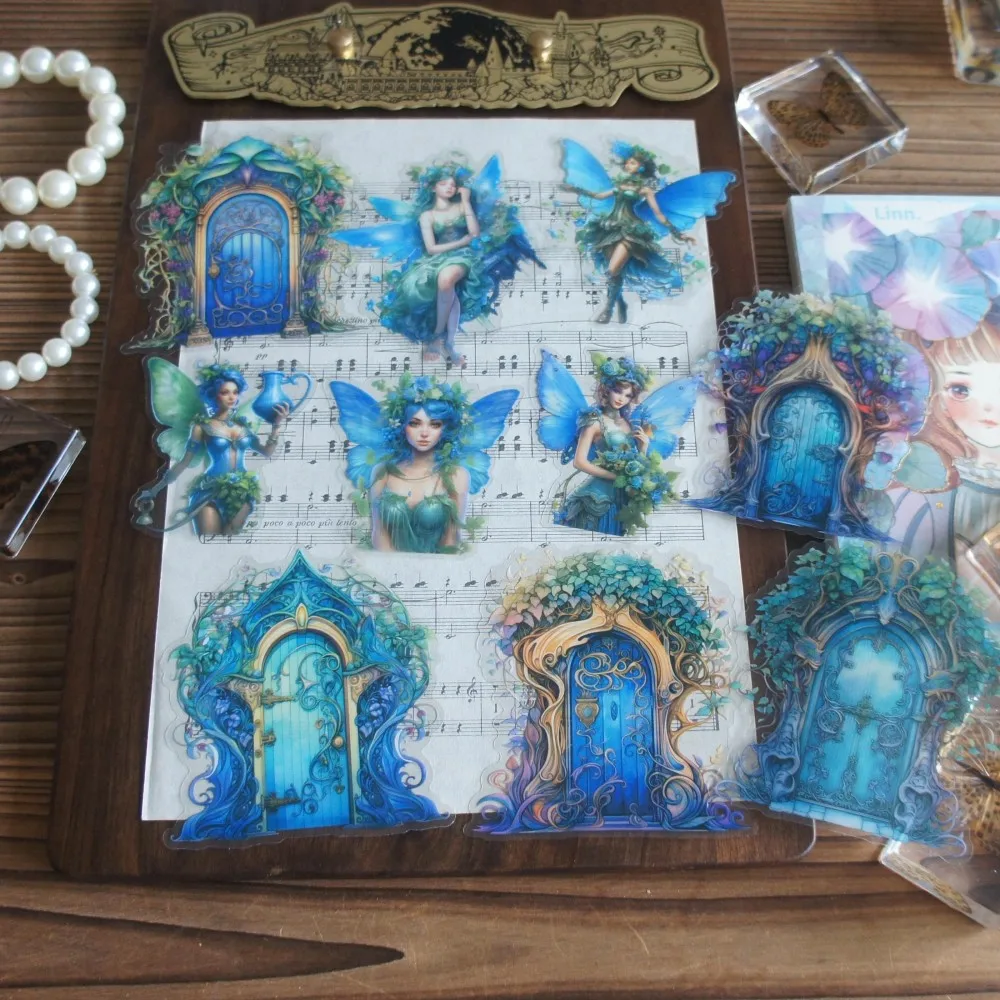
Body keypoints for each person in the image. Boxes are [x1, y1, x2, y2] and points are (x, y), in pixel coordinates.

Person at [335, 157, 542, 365]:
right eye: (443, 183)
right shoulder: (427, 216)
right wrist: (460, 241)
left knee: (446, 279)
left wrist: (466, 202)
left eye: (452, 184)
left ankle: (436, 337)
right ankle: (449, 343)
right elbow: (432, 248)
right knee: (441, 290)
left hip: (463, 257)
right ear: (433, 187)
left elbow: (474, 233)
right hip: (436, 258)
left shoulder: (461, 207)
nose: (449, 187)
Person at [330, 373, 518, 554]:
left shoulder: (456, 475)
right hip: (387, 567)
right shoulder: (383, 472)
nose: (425, 433)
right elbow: (379, 533)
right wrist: (391, 568)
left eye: (435, 424)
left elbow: (451, 539)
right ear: (402, 426)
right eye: (415, 423)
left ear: (445, 429)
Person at [133, 363, 288, 536]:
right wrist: (154, 490)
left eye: (235, 392)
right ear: (214, 394)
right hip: (209, 491)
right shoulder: (202, 426)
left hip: (242, 492)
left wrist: (276, 426)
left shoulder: (243, 427)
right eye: (225, 392)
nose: (232, 397)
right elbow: (185, 461)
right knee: (209, 539)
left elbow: (267, 452)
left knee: (227, 541)